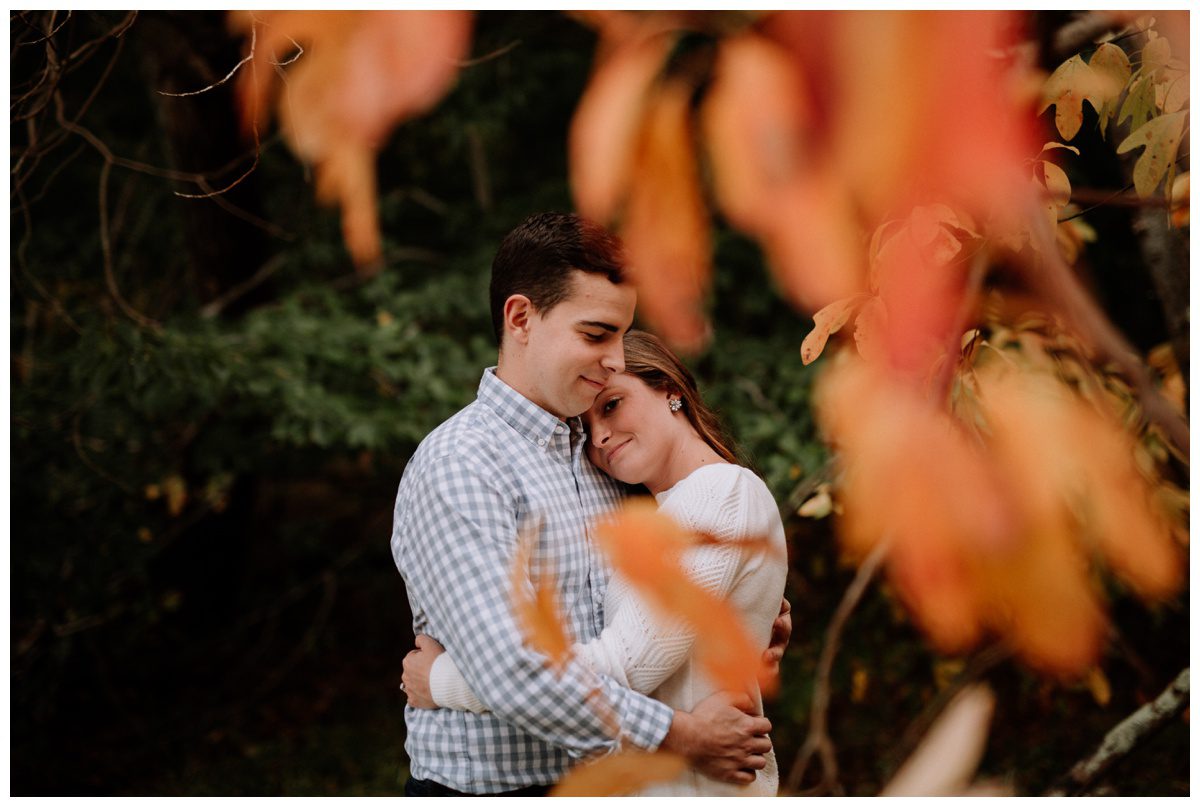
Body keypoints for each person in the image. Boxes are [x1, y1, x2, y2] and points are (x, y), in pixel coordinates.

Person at [390, 213, 789, 796]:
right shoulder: (462, 464)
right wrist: (682, 734)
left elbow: (648, 630)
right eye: (596, 334)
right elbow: (514, 672)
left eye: (623, 337)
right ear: (521, 317)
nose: (617, 360)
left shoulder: (606, 464)